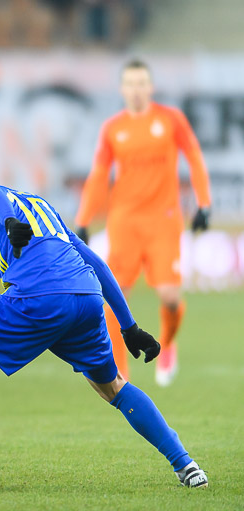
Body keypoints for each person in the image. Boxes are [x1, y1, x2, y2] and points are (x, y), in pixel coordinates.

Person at [0, 135, 207, 492]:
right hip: (86, 298)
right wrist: (128, 326)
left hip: (37, 297)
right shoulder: (39, 205)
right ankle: (186, 465)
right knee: (113, 386)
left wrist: (9, 221)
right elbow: (95, 261)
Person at [75, 59, 212, 386]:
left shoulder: (170, 120)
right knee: (114, 298)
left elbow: (194, 157)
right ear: (122, 89)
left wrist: (204, 202)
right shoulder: (113, 128)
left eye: (141, 83)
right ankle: (120, 373)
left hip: (164, 220)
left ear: (150, 87)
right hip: (124, 222)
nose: (136, 90)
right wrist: (83, 220)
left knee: (170, 297)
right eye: (130, 84)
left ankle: (168, 344)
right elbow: (98, 175)